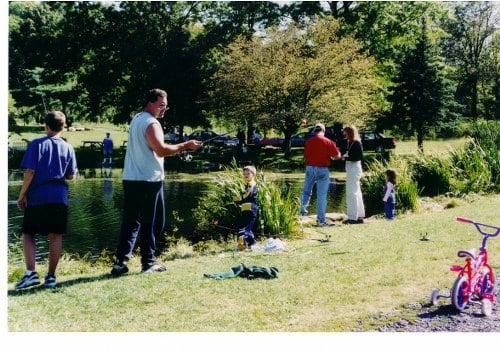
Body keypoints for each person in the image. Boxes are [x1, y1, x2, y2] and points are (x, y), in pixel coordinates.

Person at [111, 88, 202, 276]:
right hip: (148, 181)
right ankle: (148, 263)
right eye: (161, 105)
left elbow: (153, 149)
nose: (163, 109)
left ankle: (120, 263)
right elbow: (160, 150)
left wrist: (178, 148)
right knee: (152, 222)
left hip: (131, 179)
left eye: (166, 107)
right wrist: (186, 146)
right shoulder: (151, 123)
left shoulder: (137, 119)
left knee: (131, 222)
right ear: (150, 103)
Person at [15, 111, 78, 290]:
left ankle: (31, 274)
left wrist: (21, 195)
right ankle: (50, 277)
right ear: (63, 126)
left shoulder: (36, 144)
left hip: (38, 197)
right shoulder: (68, 147)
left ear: (46, 126)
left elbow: (30, 173)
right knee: (55, 235)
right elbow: (71, 176)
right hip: (59, 198)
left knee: (28, 233)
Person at [300, 123, 341, 226]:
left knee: (306, 192)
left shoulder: (308, 142)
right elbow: (336, 156)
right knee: (321, 196)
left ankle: (302, 216)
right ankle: (321, 221)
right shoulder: (328, 142)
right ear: (323, 131)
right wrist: (338, 154)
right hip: (323, 170)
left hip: (310, 168)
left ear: (314, 131)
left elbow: (305, 156)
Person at [342, 126, 365, 224]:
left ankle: (352, 217)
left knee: (352, 193)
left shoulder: (356, 143)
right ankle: (359, 215)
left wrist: (346, 158)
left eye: (346, 133)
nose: (344, 135)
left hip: (354, 169)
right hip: (352, 168)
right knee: (356, 192)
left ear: (350, 133)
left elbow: (359, 157)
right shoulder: (351, 143)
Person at [234, 165, 259, 250]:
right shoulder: (247, 184)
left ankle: (242, 246)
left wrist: (237, 200)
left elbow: (246, 195)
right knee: (247, 228)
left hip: (251, 209)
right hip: (246, 209)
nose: (246, 175)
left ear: (253, 174)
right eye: (244, 174)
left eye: (248, 173)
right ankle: (253, 244)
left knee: (244, 229)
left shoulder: (251, 184)